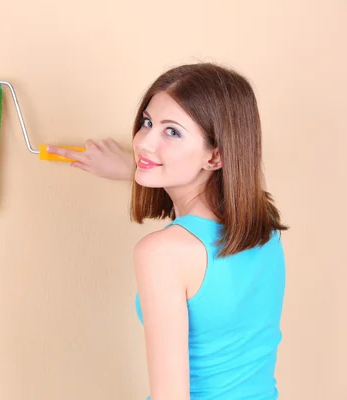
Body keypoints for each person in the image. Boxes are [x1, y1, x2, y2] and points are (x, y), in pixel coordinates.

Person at [47, 62, 288, 400]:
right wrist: (134, 168)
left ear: (215, 157)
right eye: (147, 123)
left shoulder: (163, 253)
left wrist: (143, 168)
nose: (144, 143)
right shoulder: (262, 222)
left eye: (171, 132)